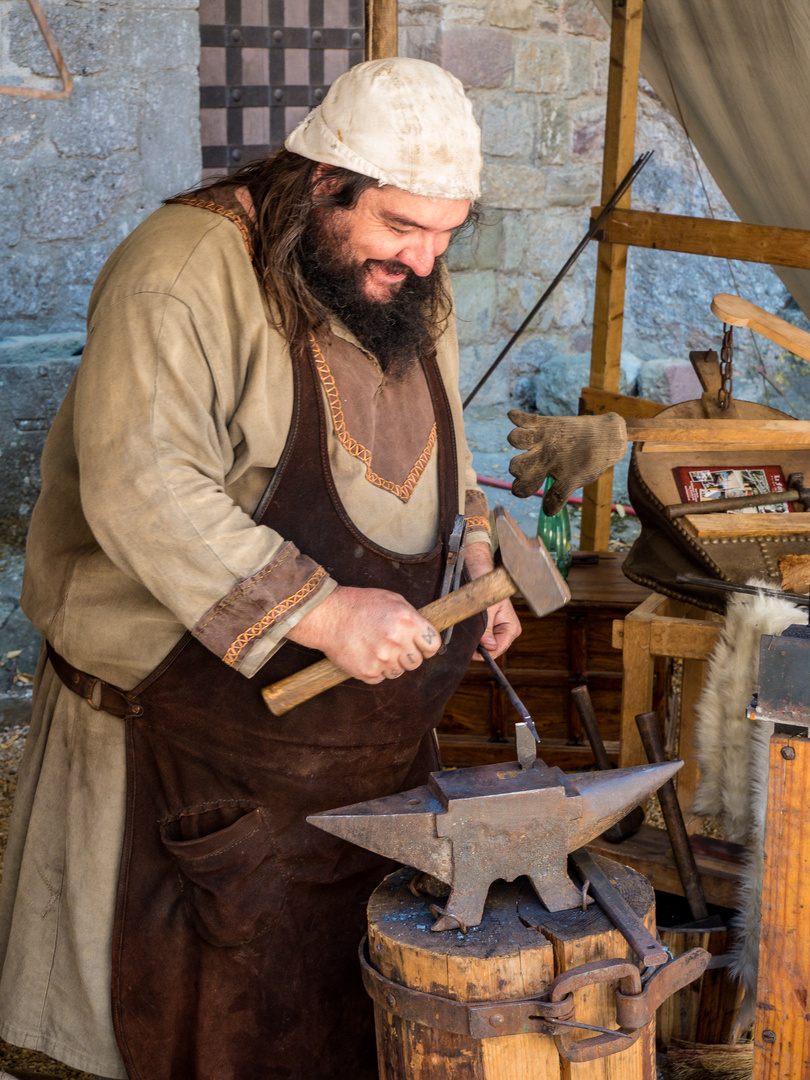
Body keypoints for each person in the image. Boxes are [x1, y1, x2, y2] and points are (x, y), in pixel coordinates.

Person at [0, 58, 521, 1080]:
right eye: (403, 228)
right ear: (327, 181)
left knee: (331, 1026)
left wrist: (474, 548)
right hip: (179, 751)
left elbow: (445, 438)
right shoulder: (181, 270)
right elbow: (143, 486)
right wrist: (322, 612)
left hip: (350, 770)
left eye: (447, 233)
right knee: (163, 1036)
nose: (425, 260)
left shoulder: (406, 281)